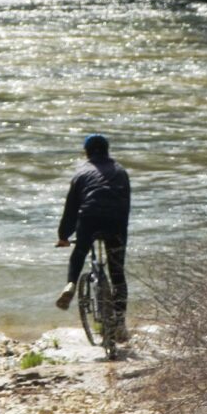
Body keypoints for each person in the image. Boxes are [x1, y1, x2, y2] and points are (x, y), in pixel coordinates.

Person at [54, 134, 130, 337]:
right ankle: (120, 325)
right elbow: (125, 205)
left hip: (89, 219)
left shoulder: (81, 174)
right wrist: (121, 233)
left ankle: (70, 283)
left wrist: (63, 236)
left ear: (86, 152)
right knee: (117, 273)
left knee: (80, 252)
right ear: (107, 150)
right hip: (116, 222)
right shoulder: (121, 171)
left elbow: (71, 209)